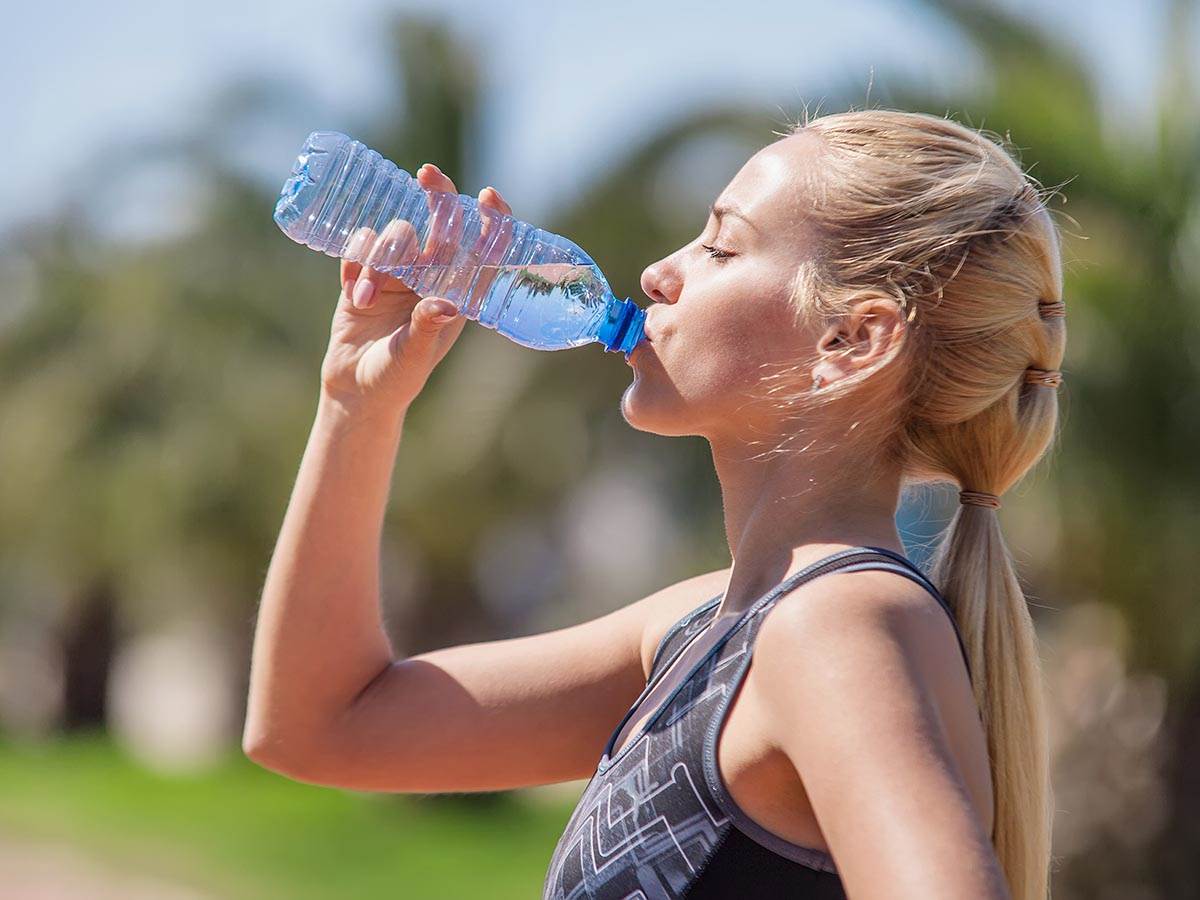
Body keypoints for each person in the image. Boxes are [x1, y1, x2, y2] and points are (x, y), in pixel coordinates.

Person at [243, 107, 1066, 900]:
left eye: (720, 245)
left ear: (851, 340)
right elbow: (320, 726)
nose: (655, 274)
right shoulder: (704, 631)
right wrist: (356, 404)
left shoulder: (836, 623)